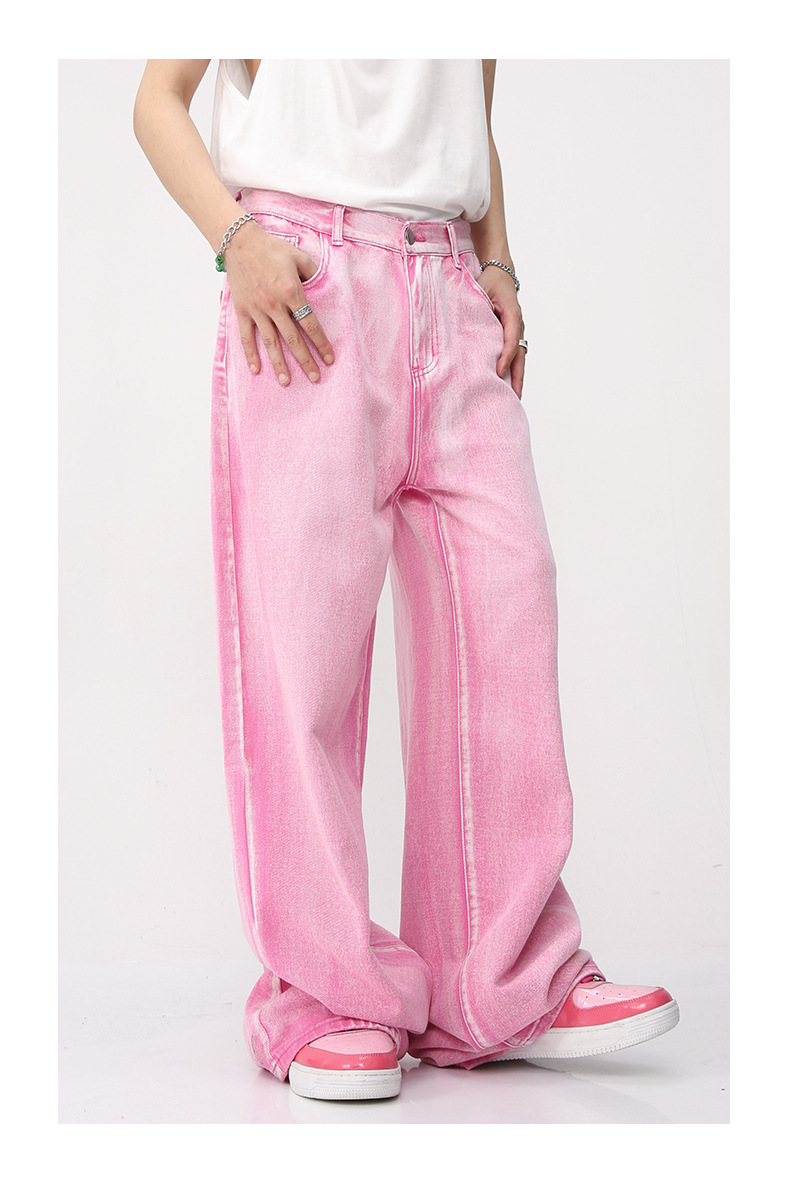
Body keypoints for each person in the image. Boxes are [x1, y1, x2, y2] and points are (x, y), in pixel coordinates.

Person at [133, 58, 679, 1103]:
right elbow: (157, 99)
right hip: (307, 284)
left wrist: (498, 260)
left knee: (507, 609)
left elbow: (469, 105)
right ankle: (323, 994)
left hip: (453, 281)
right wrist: (236, 240)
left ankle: (498, 982)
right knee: (306, 655)